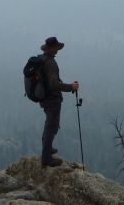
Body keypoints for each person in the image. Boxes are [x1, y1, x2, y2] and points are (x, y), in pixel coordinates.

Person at [39, 37, 79, 167]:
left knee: (49, 124)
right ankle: (46, 158)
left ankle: (48, 148)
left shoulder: (42, 59)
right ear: (52, 49)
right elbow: (54, 84)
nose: (57, 51)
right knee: (52, 126)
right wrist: (70, 87)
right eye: (56, 48)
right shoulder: (50, 63)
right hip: (52, 100)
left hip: (45, 98)